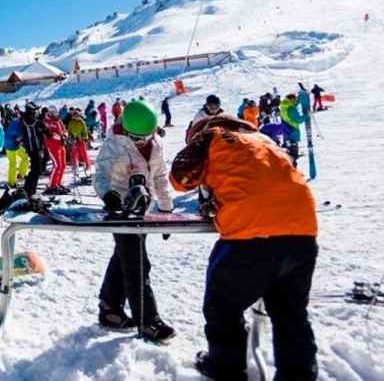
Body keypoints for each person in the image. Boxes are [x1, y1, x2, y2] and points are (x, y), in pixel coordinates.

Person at [170, 115, 318, 381]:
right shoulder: (265, 140)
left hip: (249, 237)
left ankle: (226, 368)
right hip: (302, 231)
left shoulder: (212, 135)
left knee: (222, 307)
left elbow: (180, 178)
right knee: (290, 314)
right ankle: (298, 375)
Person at [93, 100, 176, 343]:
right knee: (137, 263)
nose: (142, 142)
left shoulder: (157, 143)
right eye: (137, 138)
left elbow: (160, 176)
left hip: (143, 208)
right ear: (127, 130)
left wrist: (166, 209)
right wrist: (108, 195)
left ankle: (109, 308)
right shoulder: (114, 144)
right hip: (119, 209)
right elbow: (100, 176)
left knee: (123, 257)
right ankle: (148, 321)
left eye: (145, 137)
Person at [20, 104, 46, 197]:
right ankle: (29, 190)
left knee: (35, 170)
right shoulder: (31, 121)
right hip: (34, 148)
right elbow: (45, 131)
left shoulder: (25, 120)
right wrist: (43, 128)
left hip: (32, 148)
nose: (36, 112)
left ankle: (29, 189)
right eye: (35, 111)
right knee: (36, 170)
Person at [42, 108, 69, 194]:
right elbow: (50, 135)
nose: (55, 115)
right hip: (53, 147)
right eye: (53, 113)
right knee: (57, 165)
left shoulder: (58, 121)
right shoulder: (48, 122)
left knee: (63, 165)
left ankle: (57, 183)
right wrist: (60, 137)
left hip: (61, 146)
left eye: (55, 113)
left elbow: (64, 130)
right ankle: (51, 185)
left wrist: (65, 135)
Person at [279, 93, 308, 166]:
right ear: (291, 99)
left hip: (287, 132)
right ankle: (293, 173)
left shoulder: (284, 106)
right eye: (294, 100)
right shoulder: (291, 109)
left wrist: (300, 96)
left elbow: (294, 104)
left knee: (289, 154)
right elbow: (298, 120)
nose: (295, 101)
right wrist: (307, 116)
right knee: (293, 156)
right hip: (293, 132)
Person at [3, 110, 28, 189]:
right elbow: (20, 135)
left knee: (24, 157)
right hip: (11, 145)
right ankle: (11, 182)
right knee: (13, 163)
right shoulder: (20, 124)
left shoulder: (15, 121)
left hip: (11, 143)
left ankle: (21, 174)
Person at [66, 108, 91, 178]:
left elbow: (85, 131)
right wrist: (70, 137)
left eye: (77, 116)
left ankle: (87, 165)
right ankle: (75, 167)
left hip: (80, 140)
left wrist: (84, 137)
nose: (76, 117)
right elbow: (69, 131)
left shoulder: (81, 122)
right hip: (74, 140)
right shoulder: (71, 122)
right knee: (74, 154)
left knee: (84, 153)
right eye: (75, 116)